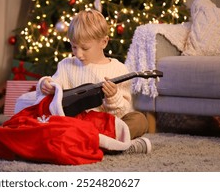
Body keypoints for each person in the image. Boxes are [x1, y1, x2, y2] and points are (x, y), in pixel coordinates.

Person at [37, 9, 151, 153]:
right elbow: (54, 88)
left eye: (84, 48)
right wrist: (45, 84)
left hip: (105, 125)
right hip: (77, 124)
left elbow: (122, 112)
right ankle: (115, 146)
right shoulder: (66, 65)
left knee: (139, 120)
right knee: (44, 123)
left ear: (103, 42)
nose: (78, 54)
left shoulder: (119, 69)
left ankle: (94, 143)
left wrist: (113, 97)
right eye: (74, 46)